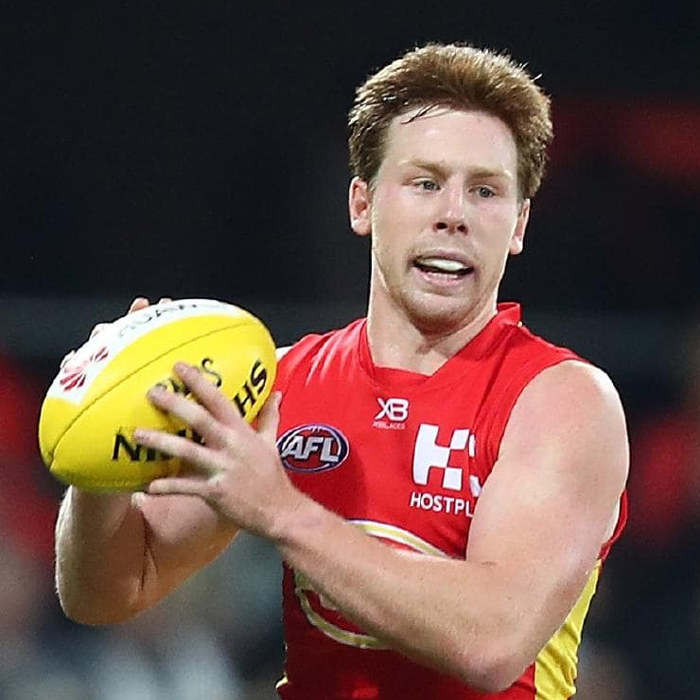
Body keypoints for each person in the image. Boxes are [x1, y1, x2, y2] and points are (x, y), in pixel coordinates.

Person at [54, 43, 629, 699]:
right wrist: (103, 441)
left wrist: (282, 512)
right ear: (362, 205)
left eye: (486, 191)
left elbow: (492, 642)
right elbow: (109, 592)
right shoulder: (280, 382)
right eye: (425, 183)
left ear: (518, 224)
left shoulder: (562, 401)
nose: (454, 214)